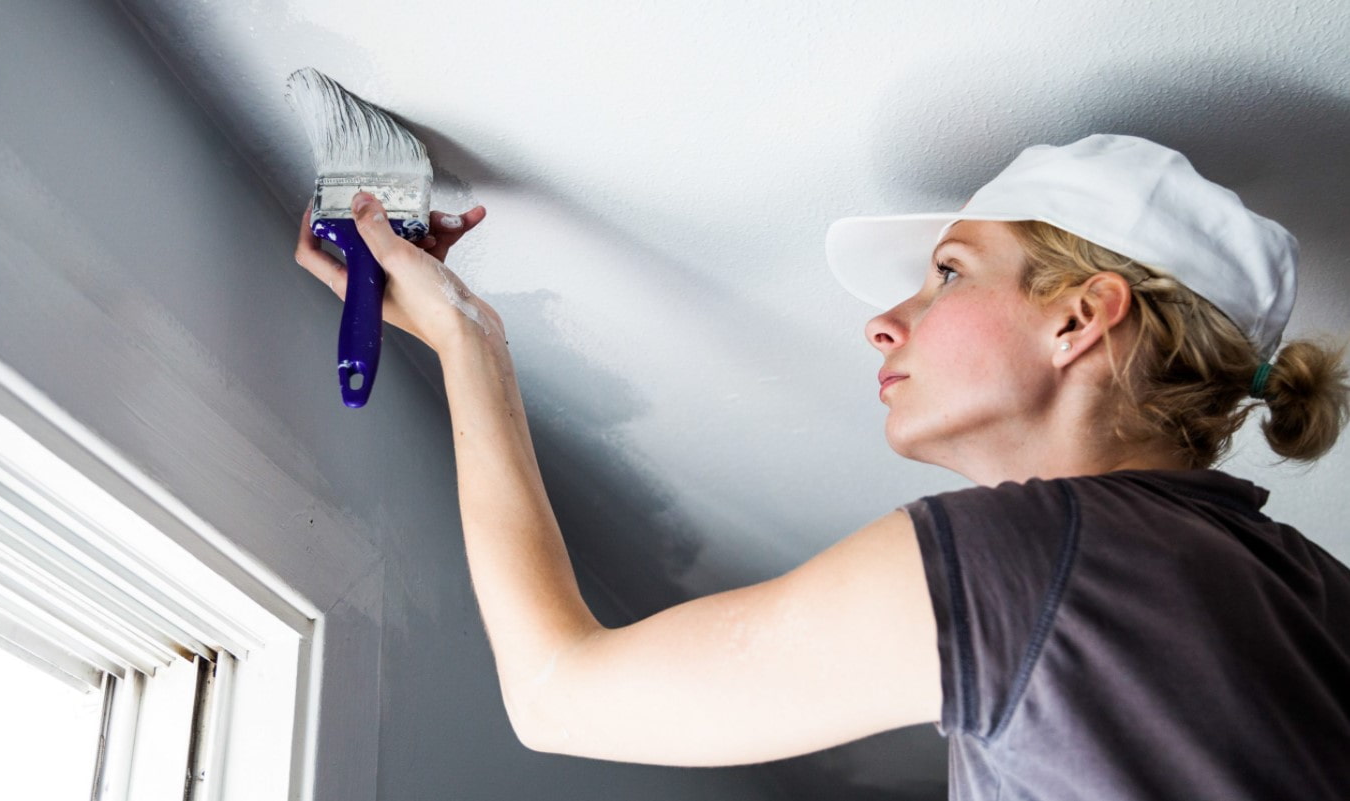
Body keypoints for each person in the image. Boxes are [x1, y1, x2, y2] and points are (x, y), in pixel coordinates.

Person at [295, 133, 1350, 799]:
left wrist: (467, 340)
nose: (884, 322)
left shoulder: (1032, 561)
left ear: (1078, 318)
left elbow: (558, 693)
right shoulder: (1316, 592)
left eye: (947, 274)